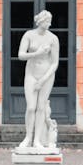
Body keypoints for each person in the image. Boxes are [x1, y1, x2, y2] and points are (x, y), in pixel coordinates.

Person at [17, 9, 59, 150]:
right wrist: (37, 53)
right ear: (40, 21)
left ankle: (37, 140)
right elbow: (21, 55)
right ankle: (28, 137)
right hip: (31, 74)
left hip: (46, 76)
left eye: (50, 21)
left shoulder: (53, 38)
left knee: (41, 108)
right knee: (30, 107)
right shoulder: (29, 35)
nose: (49, 23)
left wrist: (43, 80)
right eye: (47, 21)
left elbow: (54, 63)